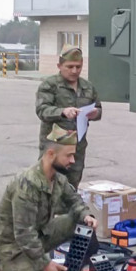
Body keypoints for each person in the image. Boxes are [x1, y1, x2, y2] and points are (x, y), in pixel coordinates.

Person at [0, 125, 107, 271]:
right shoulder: (26, 185)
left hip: (38, 236)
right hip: (12, 248)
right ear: (51, 154)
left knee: (83, 224)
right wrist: (46, 265)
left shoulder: (58, 178)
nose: (73, 160)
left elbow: (74, 201)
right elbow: (24, 235)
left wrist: (86, 215)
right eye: (68, 155)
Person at [35, 44, 102, 189]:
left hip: (76, 149)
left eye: (78, 67)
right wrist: (62, 111)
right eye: (70, 66)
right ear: (59, 65)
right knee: (48, 186)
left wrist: (95, 113)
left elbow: (98, 108)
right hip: (55, 148)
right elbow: (42, 110)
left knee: (72, 188)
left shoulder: (88, 87)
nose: (74, 71)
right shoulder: (50, 85)